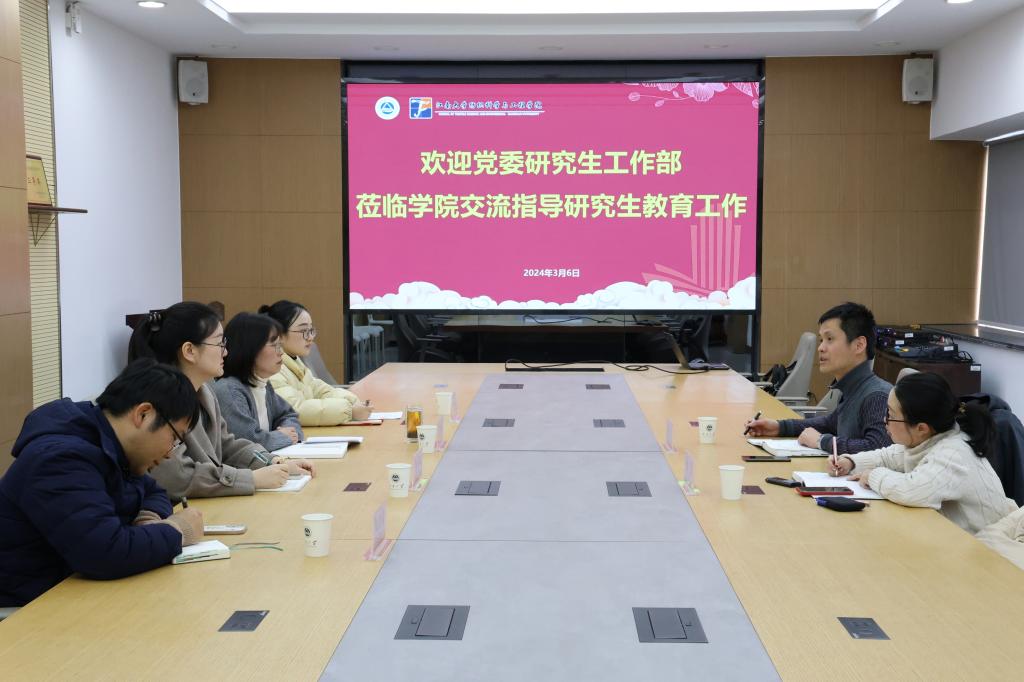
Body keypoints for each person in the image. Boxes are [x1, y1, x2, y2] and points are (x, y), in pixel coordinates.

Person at [0, 360, 204, 607]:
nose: (171, 452)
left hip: (73, 593)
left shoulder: (110, 445)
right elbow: (104, 553)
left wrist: (148, 520)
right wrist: (178, 531)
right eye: (174, 437)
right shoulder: (61, 459)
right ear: (143, 414)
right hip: (25, 610)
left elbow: (154, 491)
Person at [128, 302, 314, 501]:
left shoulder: (205, 391)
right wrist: (250, 479)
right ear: (189, 351)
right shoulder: (160, 402)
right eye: (219, 344)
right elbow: (177, 477)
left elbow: (228, 445)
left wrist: (274, 462)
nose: (225, 352)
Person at [830, 372, 1017, 534]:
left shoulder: (953, 454)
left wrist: (873, 476)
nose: (884, 420)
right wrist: (850, 462)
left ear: (921, 428)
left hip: (984, 547)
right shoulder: (927, 440)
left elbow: (912, 490)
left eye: (890, 415)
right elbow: (888, 456)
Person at [745, 302, 892, 454]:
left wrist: (821, 441)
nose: (820, 348)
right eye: (822, 340)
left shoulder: (877, 395)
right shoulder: (853, 388)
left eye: (830, 339)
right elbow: (829, 424)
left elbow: (878, 448)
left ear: (859, 345)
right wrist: (779, 427)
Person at [259, 300, 372, 426]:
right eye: (303, 331)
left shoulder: (294, 362)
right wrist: (349, 411)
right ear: (279, 334)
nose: (310, 337)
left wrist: (352, 401)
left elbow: (319, 390)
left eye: (311, 330)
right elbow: (296, 409)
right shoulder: (272, 369)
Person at [214, 312, 303, 452]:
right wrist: (283, 437)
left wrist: (290, 433)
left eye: (280, 345)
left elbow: (288, 414)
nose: (281, 352)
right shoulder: (229, 390)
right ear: (250, 348)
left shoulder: (262, 383)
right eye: (274, 345)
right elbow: (249, 442)